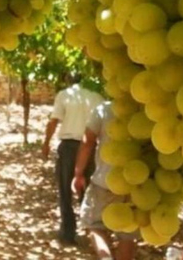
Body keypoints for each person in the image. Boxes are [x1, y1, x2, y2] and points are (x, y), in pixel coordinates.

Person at [41, 73, 104, 245]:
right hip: (90, 147)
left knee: (65, 189)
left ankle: (68, 232)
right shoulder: (97, 97)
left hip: (69, 147)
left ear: (69, 80)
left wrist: (46, 142)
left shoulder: (64, 95)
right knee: (88, 189)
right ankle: (93, 232)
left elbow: (54, 121)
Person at [73, 101, 137, 260]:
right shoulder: (144, 110)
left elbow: (88, 142)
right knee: (128, 233)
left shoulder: (104, 109)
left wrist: (78, 172)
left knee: (94, 225)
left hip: (105, 181)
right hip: (136, 184)